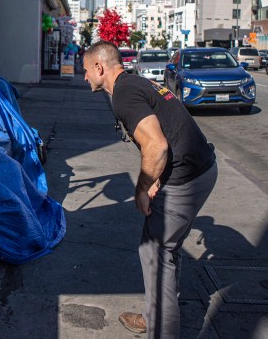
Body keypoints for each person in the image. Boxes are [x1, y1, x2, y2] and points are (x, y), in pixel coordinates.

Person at [82, 40, 218, 338]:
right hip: (201, 170)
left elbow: (156, 146)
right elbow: (166, 133)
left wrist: (142, 189)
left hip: (188, 178)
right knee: (167, 249)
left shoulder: (124, 95)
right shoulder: (137, 83)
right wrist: (156, 178)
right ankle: (155, 315)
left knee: (154, 252)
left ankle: (161, 328)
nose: (84, 77)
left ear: (99, 67)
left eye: (86, 71)